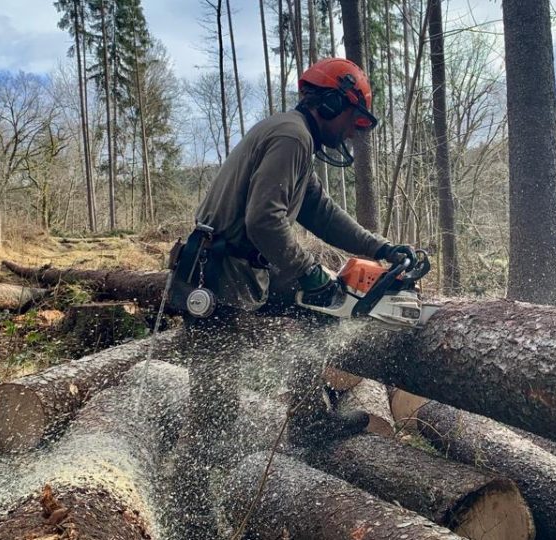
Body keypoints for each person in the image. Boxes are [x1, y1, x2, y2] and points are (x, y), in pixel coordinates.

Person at [168, 57, 413, 537]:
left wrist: (378, 247)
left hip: (242, 269)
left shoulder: (295, 137)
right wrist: (308, 273)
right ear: (329, 103)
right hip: (217, 277)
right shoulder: (291, 137)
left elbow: (320, 212)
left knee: (318, 312)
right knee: (215, 406)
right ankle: (191, 514)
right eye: (351, 120)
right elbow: (265, 220)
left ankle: (306, 418)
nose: (349, 133)